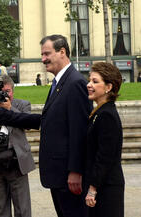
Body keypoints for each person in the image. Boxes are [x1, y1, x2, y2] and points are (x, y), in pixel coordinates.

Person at [39, 35, 92, 217]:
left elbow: (80, 131)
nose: (43, 59)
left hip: (68, 177)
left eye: (47, 53)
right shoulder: (60, 83)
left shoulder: (75, 83)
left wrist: (75, 171)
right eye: (42, 54)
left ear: (62, 52)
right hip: (58, 176)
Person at [0, 75, 35, 217]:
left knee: (22, 208)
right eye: (0, 91)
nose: (4, 95)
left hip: (17, 162)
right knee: (0, 207)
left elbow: (27, 123)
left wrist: (10, 108)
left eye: (7, 91)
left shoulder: (22, 105)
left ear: (13, 91)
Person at [85, 62, 124, 217]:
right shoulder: (99, 112)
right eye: (89, 80)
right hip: (102, 186)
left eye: (95, 81)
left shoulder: (106, 115)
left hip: (106, 188)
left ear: (108, 87)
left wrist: (92, 189)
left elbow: (105, 157)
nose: (89, 84)